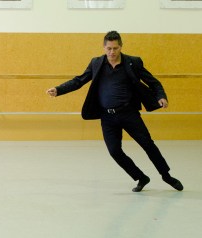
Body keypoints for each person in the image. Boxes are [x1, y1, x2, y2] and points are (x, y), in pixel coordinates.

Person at [46, 31, 183, 192]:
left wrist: (161, 96)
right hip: (107, 116)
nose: (112, 52)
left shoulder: (133, 62)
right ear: (104, 47)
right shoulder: (96, 63)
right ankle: (141, 177)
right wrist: (59, 89)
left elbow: (153, 82)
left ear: (121, 47)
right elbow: (79, 80)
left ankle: (166, 176)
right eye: (109, 48)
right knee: (114, 151)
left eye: (115, 48)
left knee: (148, 144)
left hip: (129, 113)